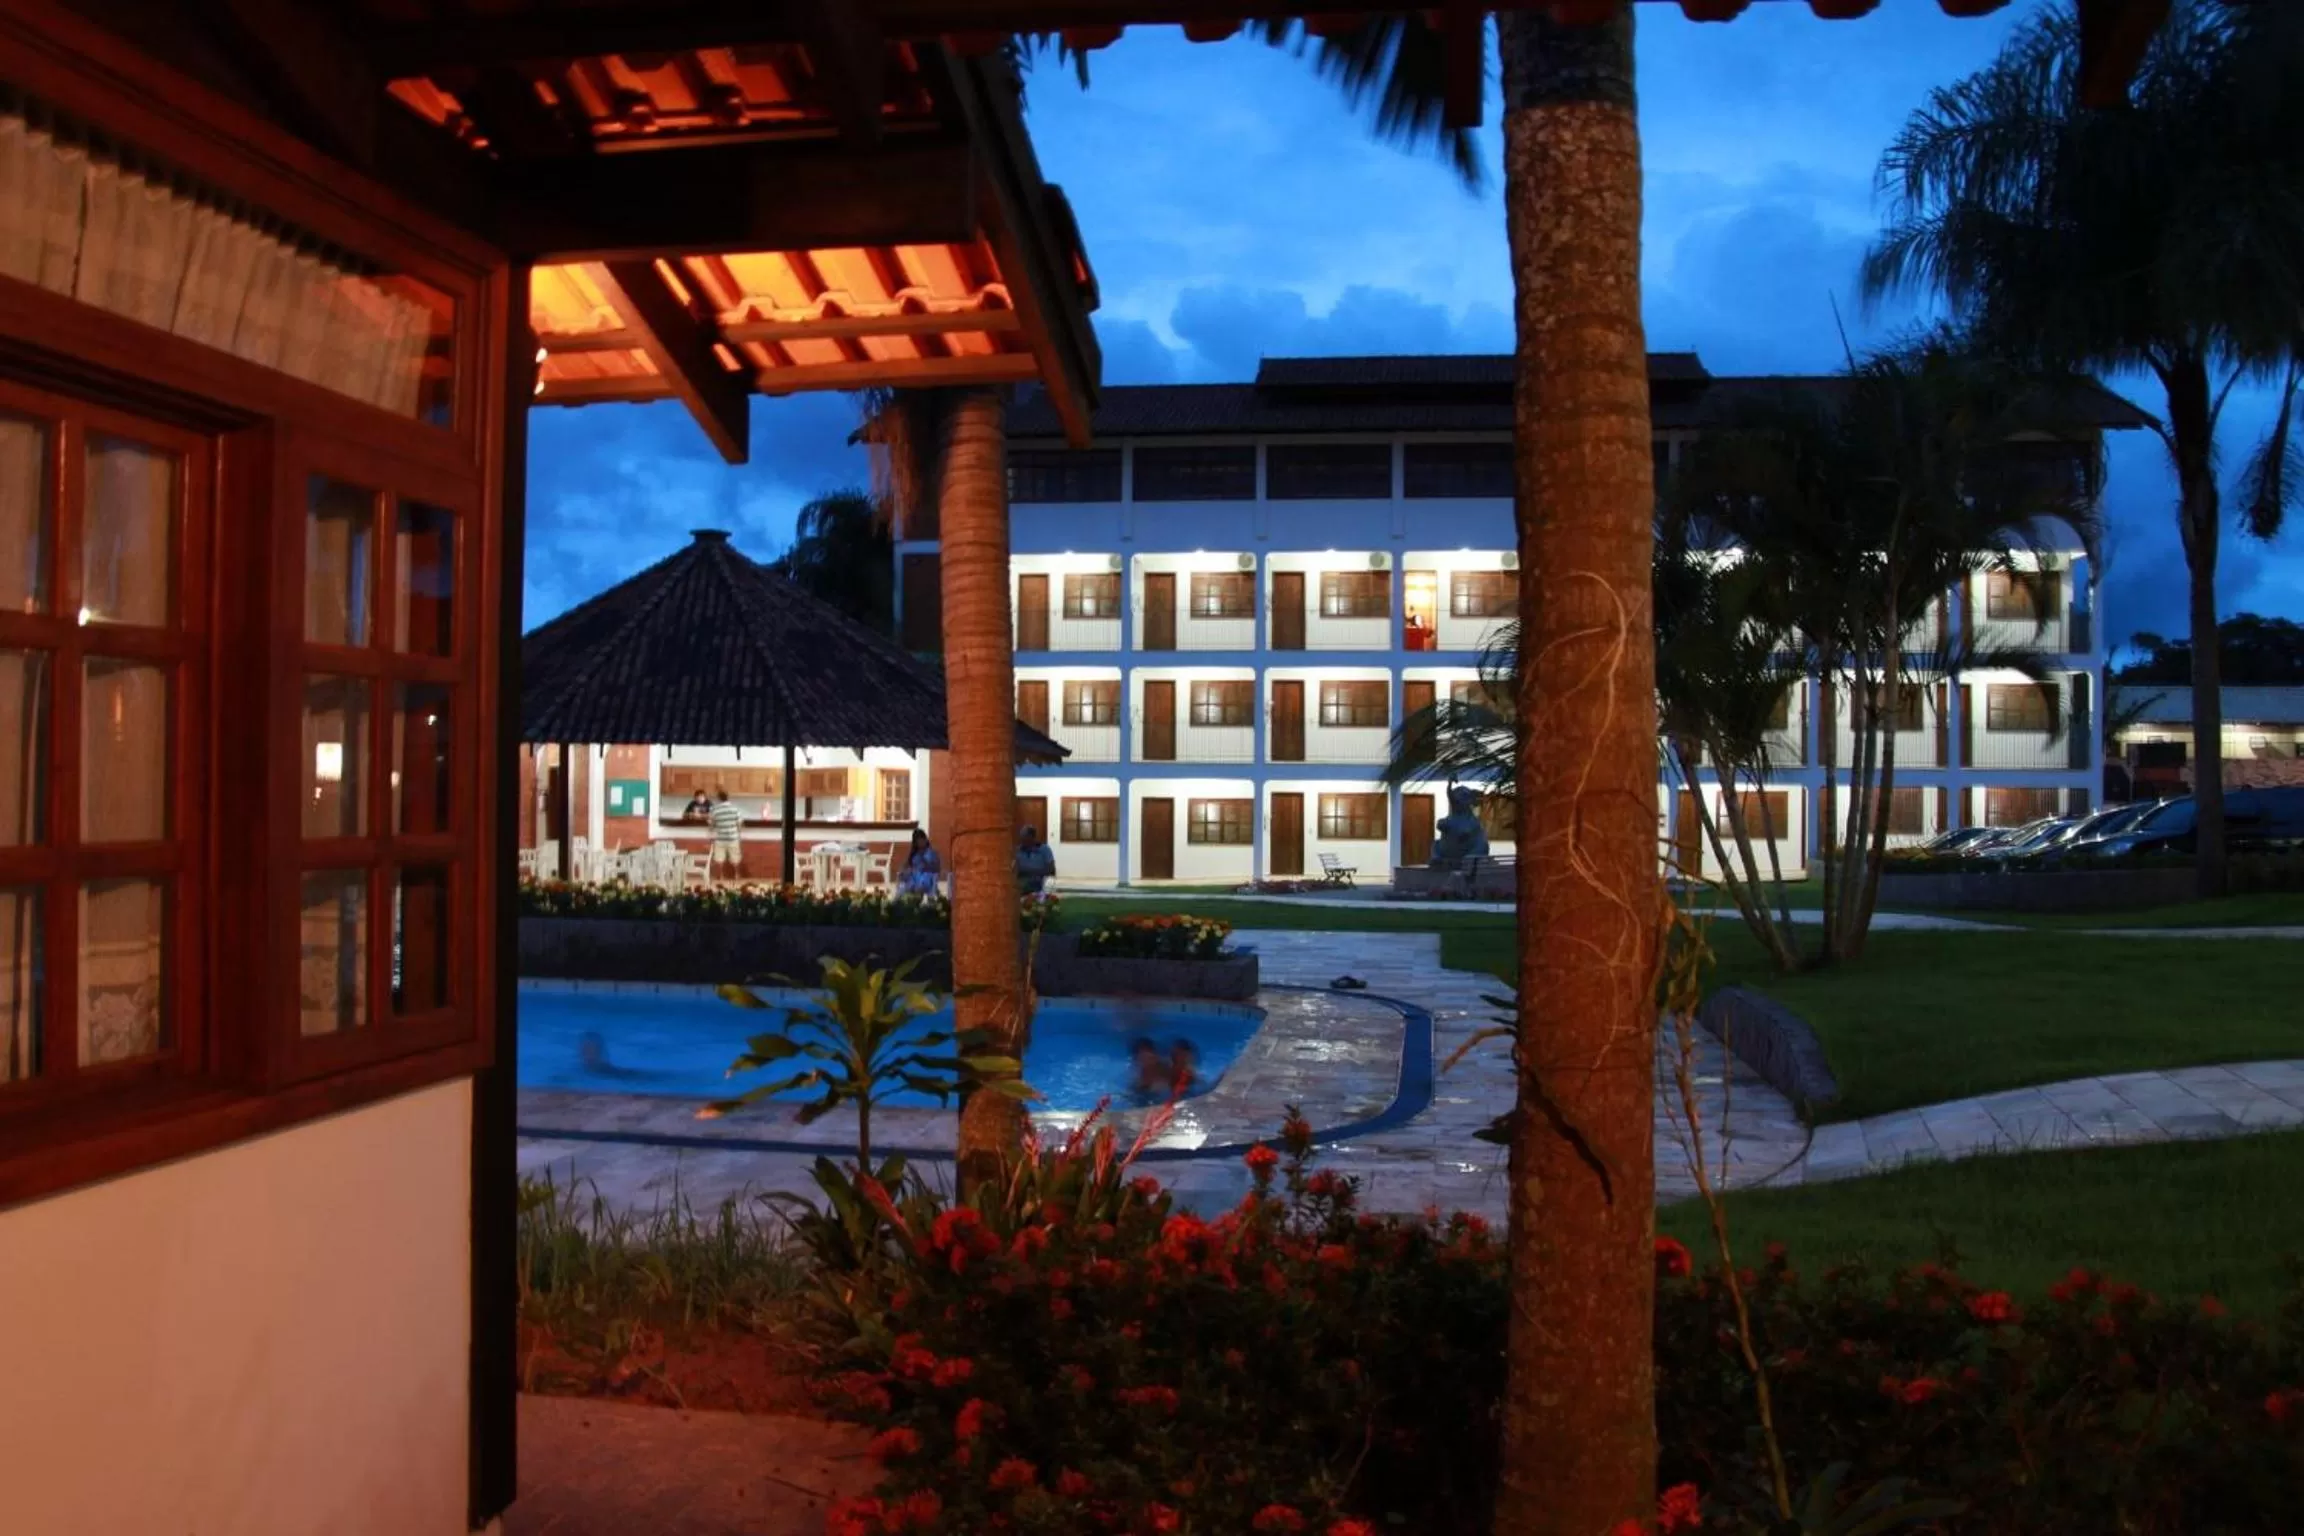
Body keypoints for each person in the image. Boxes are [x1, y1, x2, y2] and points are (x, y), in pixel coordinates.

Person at [708, 787, 744, 879]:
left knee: (719, 858)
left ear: (719, 798)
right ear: (728, 797)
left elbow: (712, 824)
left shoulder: (714, 809)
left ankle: (720, 875)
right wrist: (739, 834)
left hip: (720, 837)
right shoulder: (735, 809)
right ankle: (736, 874)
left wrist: (710, 831)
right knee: (735, 857)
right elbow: (739, 823)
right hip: (733, 837)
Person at [1015, 824, 1057, 896]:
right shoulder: (1018, 850)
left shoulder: (1044, 849)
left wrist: (1035, 872)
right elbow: (1014, 868)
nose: (1021, 839)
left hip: (1039, 879)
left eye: (1024, 836)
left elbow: (1051, 868)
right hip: (1022, 879)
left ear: (1031, 837)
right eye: (1021, 836)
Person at [899, 828, 942, 896]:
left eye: (922, 840)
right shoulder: (914, 854)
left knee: (922, 881)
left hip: (927, 877)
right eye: (917, 841)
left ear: (925, 839)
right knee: (904, 883)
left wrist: (925, 864)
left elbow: (937, 869)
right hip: (914, 877)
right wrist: (904, 871)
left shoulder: (932, 853)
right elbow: (906, 866)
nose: (920, 842)